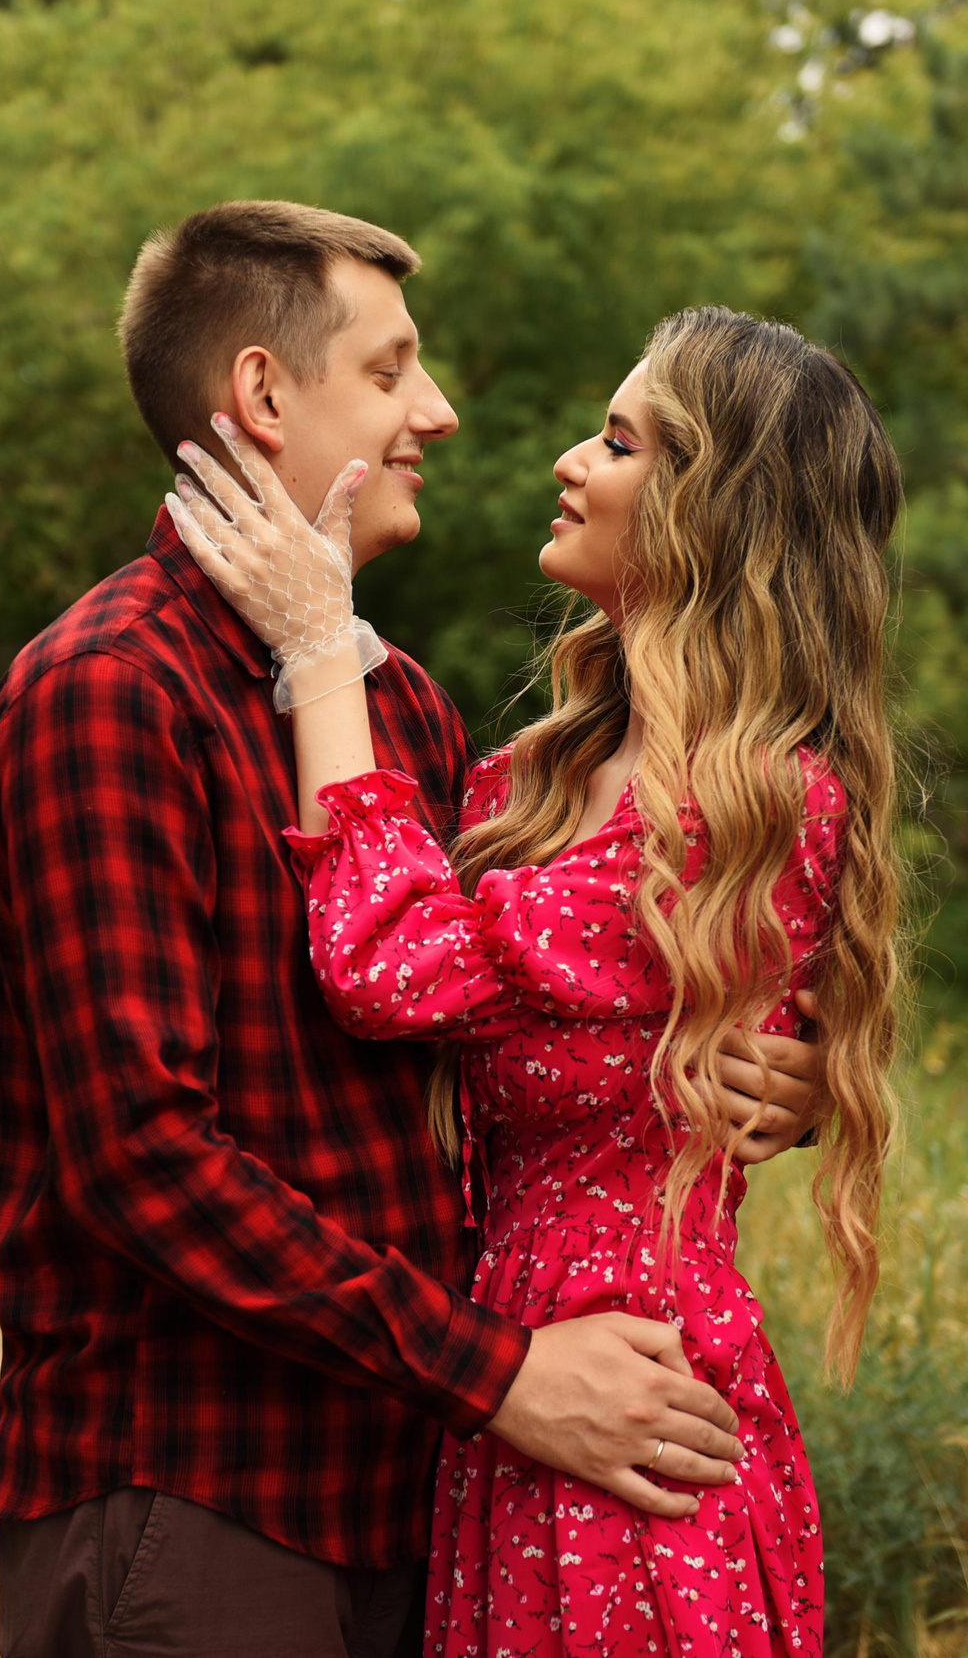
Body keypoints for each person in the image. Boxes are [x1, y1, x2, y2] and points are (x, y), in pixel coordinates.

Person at [0, 204, 836, 1657]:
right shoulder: (108, 692)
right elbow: (139, 1158)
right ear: (262, 396)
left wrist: (763, 1070)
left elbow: (543, 998)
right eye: (390, 374)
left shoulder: (402, 716)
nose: (437, 412)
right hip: (191, 1491)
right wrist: (495, 1373)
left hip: (407, 1489)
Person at [168, 302, 904, 1656]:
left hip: (635, 1437)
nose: (570, 459)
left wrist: (321, 650)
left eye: (621, 441)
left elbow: (393, 966)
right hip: (509, 1402)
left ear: (715, 517)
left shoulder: (753, 806)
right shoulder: (528, 785)